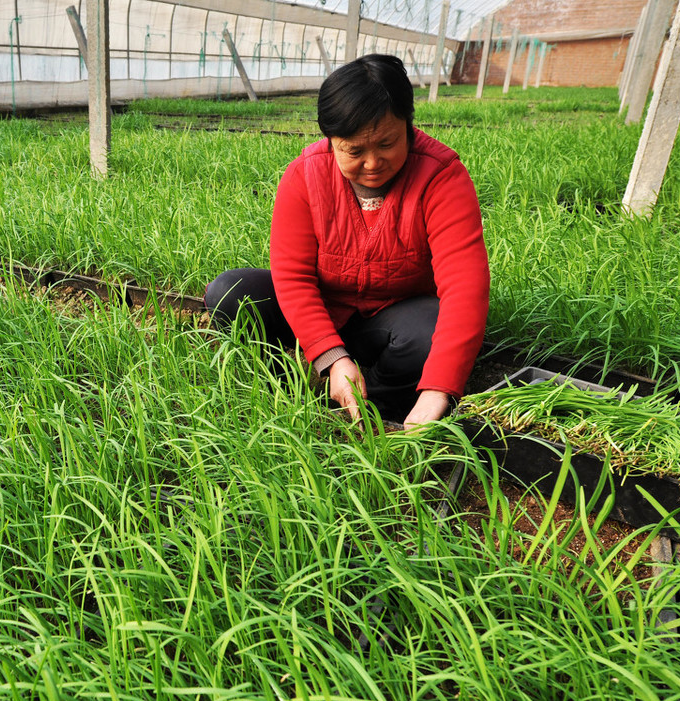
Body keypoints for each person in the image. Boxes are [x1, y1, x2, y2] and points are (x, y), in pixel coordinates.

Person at [204, 53, 489, 429]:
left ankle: (375, 407)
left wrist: (439, 389)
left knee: (428, 331)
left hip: (392, 319)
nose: (372, 163)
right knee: (229, 292)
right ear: (331, 139)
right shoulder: (305, 175)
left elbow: (465, 287)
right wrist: (331, 356)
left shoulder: (441, 177)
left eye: (386, 144)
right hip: (325, 308)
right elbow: (293, 277)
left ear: (408, 124)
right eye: (354, 151)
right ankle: (294, 385)